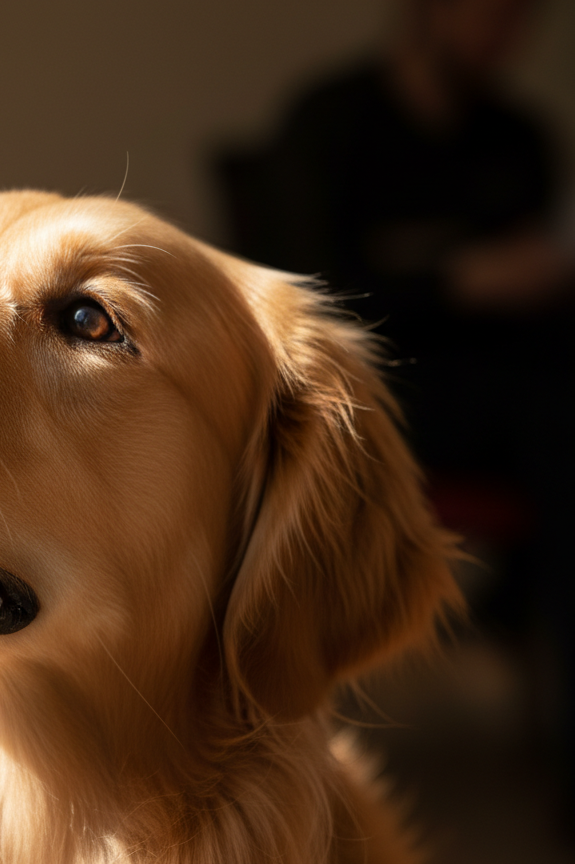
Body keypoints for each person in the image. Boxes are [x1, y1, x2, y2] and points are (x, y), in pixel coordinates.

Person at [219, 0, 573, 812]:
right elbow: (302, 297)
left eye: (520, 17)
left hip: (516, 390)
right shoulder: (330, 124)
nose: (504, 33)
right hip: (377, 397)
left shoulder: (519, 138)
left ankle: (519, 619)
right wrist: (459, 280)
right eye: (489, 11)